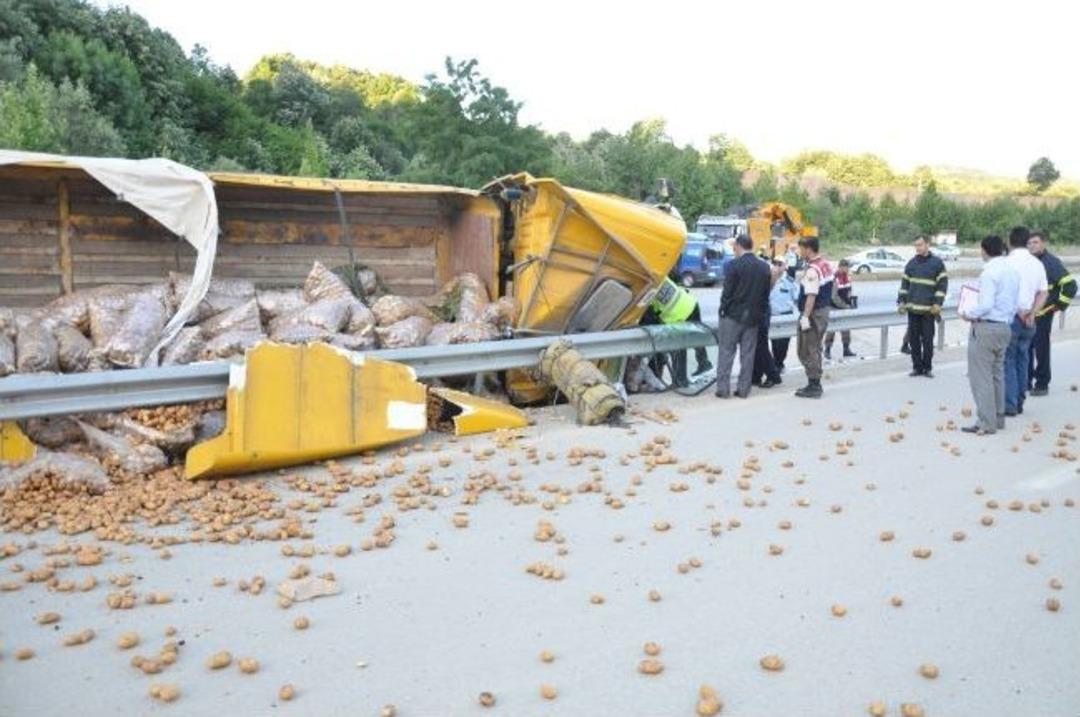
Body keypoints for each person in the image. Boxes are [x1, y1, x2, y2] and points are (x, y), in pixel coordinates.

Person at [959, 235, 1019, 435]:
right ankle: (998, 418)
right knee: (997, 375)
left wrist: (968, 313)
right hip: (1005, 328)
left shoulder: (989, 272)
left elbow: (985, 304)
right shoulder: (1012, 270)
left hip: (986, 329)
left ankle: (986, 422)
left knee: (981, 377)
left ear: (984, 250)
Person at [715, 234, 771, 398]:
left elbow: (728, 292)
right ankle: (743, 389)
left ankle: (723, 389)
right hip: (753, 317)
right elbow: (765, 295)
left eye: (734, 247)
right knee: (748, 354)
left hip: (732, 315)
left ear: (739, 246)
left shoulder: (733, 265)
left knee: (726, 351)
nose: (733, 250)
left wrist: (723, 309)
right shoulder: (764, 267)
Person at [1002, 226, 1047, 416]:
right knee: (1023, 358)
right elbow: (1043, 292)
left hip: (1011, 318)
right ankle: (1020, 400)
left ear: (1010, 242)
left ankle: (1010, 404)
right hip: (1029, 320)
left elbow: (1003, 293)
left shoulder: (1006, 263)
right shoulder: (1037, 264)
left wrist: (1019, 312)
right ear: (1027, 241)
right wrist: (1032, 313)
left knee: (1008, 361)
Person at [1027, 230, 1077, 395]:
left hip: (1043, 314)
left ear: (1043, 243)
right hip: (1027, 314)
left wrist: (1058, 305)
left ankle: (1042, 384)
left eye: (1036, 242)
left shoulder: (1051, 262)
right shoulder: (1029, 262)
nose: (1032, 246)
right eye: (1030, 243)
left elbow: (1070, 286)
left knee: (1041, 349)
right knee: (1026, 348)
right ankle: (1026, 381)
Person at [645, 274, 714, 387]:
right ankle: (704, 363)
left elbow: (650, 318)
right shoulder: (658, 273)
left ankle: (680, 381)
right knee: (697, 338)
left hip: (678, 316)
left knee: (678, 350)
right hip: (691, 304)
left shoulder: (646, 290)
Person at [897, 235, 949, 377]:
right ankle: (917, 368)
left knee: (927, 341)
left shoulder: (937, 264)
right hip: (913, 310)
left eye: (920, 245)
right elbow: (904, 286)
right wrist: (901, 302)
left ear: (927, 244)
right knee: (914, 342)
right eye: (916, 245)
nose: (917, 248)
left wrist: (938, 304)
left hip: (928, 311)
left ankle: (927, 368)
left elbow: (942, 286)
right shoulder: (911, 264)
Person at [794, 237, 833, 398]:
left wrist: (805, 316)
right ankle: (814, 381)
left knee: (807, 348)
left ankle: (814, 385)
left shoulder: (812, 270)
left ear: (808, 249)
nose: (799, 251)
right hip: (823, 311)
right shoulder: (824, 264)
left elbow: (811, 295)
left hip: (813, 313)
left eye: (801, 248)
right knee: (815, 346)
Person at [751, 258, 783, 388]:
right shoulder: (767, 279)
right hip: (763, 311)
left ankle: (773, 375)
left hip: (760, 312)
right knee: (758, 346)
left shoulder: (764, 282)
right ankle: (756, 376)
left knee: (760, 346)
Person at [824, 258, 857, 361]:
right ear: (842, 267)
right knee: (831, 330)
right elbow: (834, 297)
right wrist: (844, 305)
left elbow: (848, 290)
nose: (849, 269)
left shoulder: (847, 277)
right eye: (847, 267)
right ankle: (827, 350)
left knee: (846, 329)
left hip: (844, 307)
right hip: (834, 307)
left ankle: (846, 349)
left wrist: (850, 299)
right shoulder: (835, 278)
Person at [768, 258, 798, 372]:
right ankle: (776, 364)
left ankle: (779, 363)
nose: (777, 266)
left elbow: (797, 298)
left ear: (785, 266)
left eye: (780, 264)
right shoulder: (768, 279)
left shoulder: (790, 281)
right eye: (775, 263)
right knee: (774, 342)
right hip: (772, 315)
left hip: (786, 315)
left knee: (783, 344)